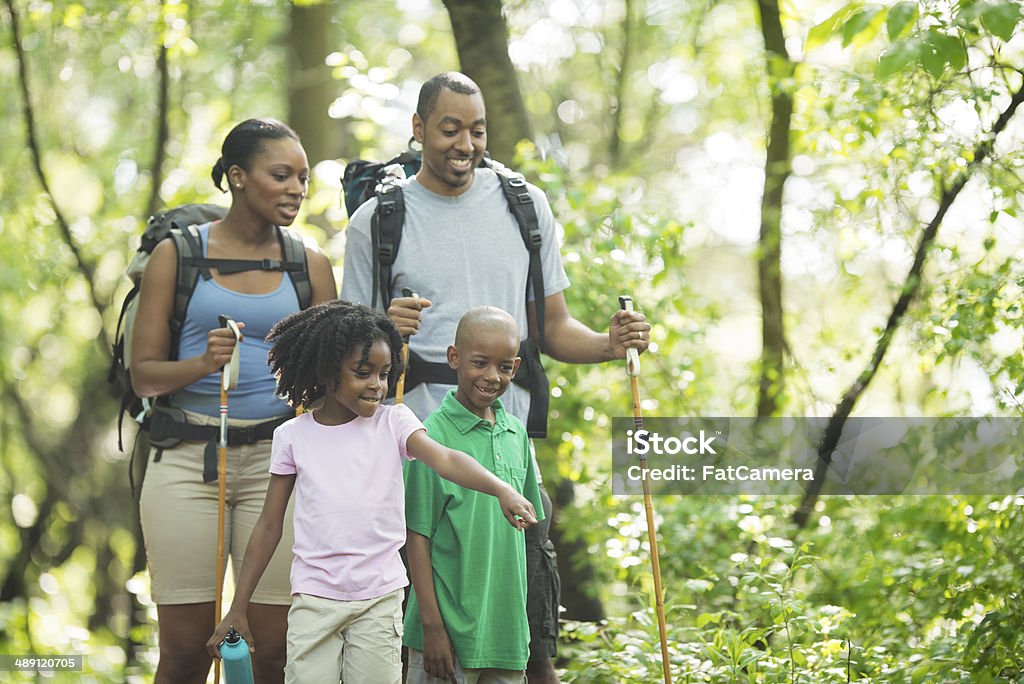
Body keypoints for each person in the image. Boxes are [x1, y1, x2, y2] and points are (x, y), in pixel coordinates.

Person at [341, 71, 651, 684]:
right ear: (419, 129)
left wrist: (609, 345)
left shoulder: (524, 206)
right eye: (450, 128)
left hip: (507, 439)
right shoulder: (377, 222)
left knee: (526, 620)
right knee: (431, 623)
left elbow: (554, 328)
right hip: (417, 441)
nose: (465, 143)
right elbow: (350, 357)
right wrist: (381, 327)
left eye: (476, 130)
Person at [205, 300, 538, 684]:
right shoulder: (293, 437)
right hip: (315, 600)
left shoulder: (395, 422)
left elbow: (446, 459)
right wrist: (238, 607)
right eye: (363, 373)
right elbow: (268, 526)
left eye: (384, 373)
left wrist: (501, 490)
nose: (377, 385)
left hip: (379, 599)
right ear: (328, 372)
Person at [131, 117, 337, 684]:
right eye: (281, 175)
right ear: (238, 177)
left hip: (280, 468)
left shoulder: (309, 265)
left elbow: (332, 388)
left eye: (303, 177)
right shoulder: (178, 256)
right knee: (183, 652)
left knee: (272, 650)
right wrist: (203, 363)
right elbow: (143, 376)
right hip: (185, 461)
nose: (297, 188)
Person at [404, 306, 544, 684]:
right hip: (445, 637)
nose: (491, 376)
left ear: (516, 366)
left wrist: (526, 626)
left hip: (506, 635)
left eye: (503, 367)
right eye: (479, 363)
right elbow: (416, 537)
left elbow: (527, 536)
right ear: (454, 358)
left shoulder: (517, 434)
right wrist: (432, 627)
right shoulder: (429, 439)